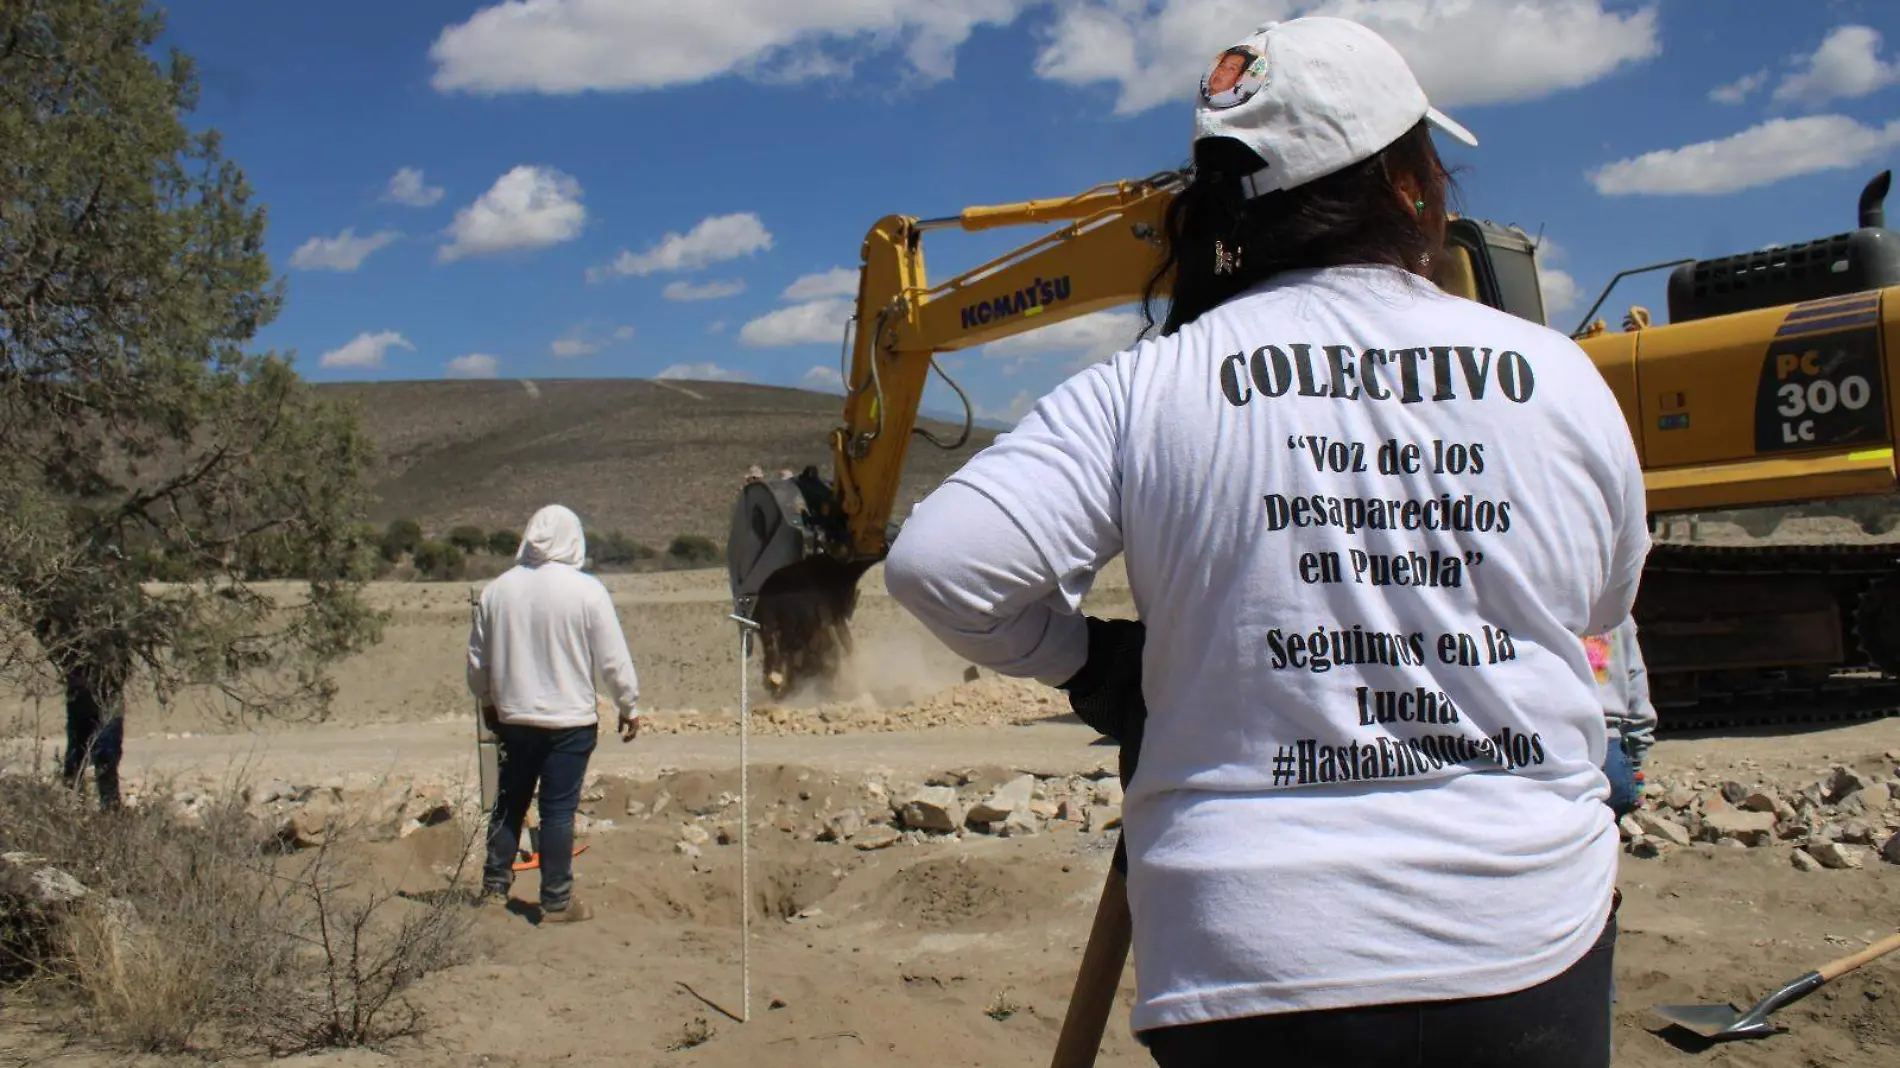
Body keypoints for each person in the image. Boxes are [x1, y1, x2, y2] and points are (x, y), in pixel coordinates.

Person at [882, 15, 1650, 1068]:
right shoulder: (1558, 375)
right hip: (1520, 933)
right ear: (1413, 186)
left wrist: (1097, 665)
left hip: (1244, 953)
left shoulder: (1150, 382)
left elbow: (939, 565)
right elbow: (1600, 609)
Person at [466, 504, 641, 923]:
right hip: (570, 723)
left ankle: (494, 887)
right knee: (558, 811)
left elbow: (477, 663)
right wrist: (628, 705)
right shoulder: (587, 591)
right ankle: (556, 901)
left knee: (509, 802)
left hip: (514, 718)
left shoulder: (497, 590)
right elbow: (613, 660)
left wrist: (488, 702)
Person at [1587, 617, 1655, 820]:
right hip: (1610, 756)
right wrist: (1635, 764)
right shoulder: (1617, 610)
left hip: (1553, 751)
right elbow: (1636, 683)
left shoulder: (1538, 602)